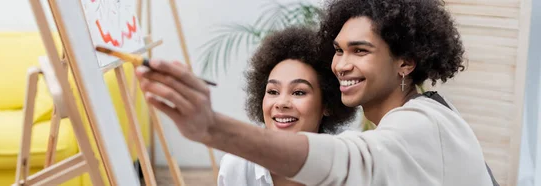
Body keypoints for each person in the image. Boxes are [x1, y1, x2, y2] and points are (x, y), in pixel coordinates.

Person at [134, 0, 495, 185]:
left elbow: (349, 160)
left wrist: (212, 127)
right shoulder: (424, 114)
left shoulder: (422, 125)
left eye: (361, 51)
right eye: (339, 50)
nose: (342, 65)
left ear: (406, 62)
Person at [217, 26, 357, 186]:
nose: (281, 103)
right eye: (273, 91)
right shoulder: (238, 167)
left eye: (298, 92)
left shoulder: (349, 160)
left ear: (327, 104)